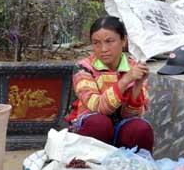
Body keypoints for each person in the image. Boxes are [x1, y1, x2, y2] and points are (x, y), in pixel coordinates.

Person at [66, 16, 153, 152]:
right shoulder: (83, 68)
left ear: (123, 41)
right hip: (92, 127)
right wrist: (125, 81)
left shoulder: (135, 68)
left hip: (121, 127)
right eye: (96, 43)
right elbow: (98, 107)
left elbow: (131, 115)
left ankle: (133, 165)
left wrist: (137, 86)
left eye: (109, 41)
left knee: (140, 128)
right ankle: (87, 163)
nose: (103, 49)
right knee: (100, 123)